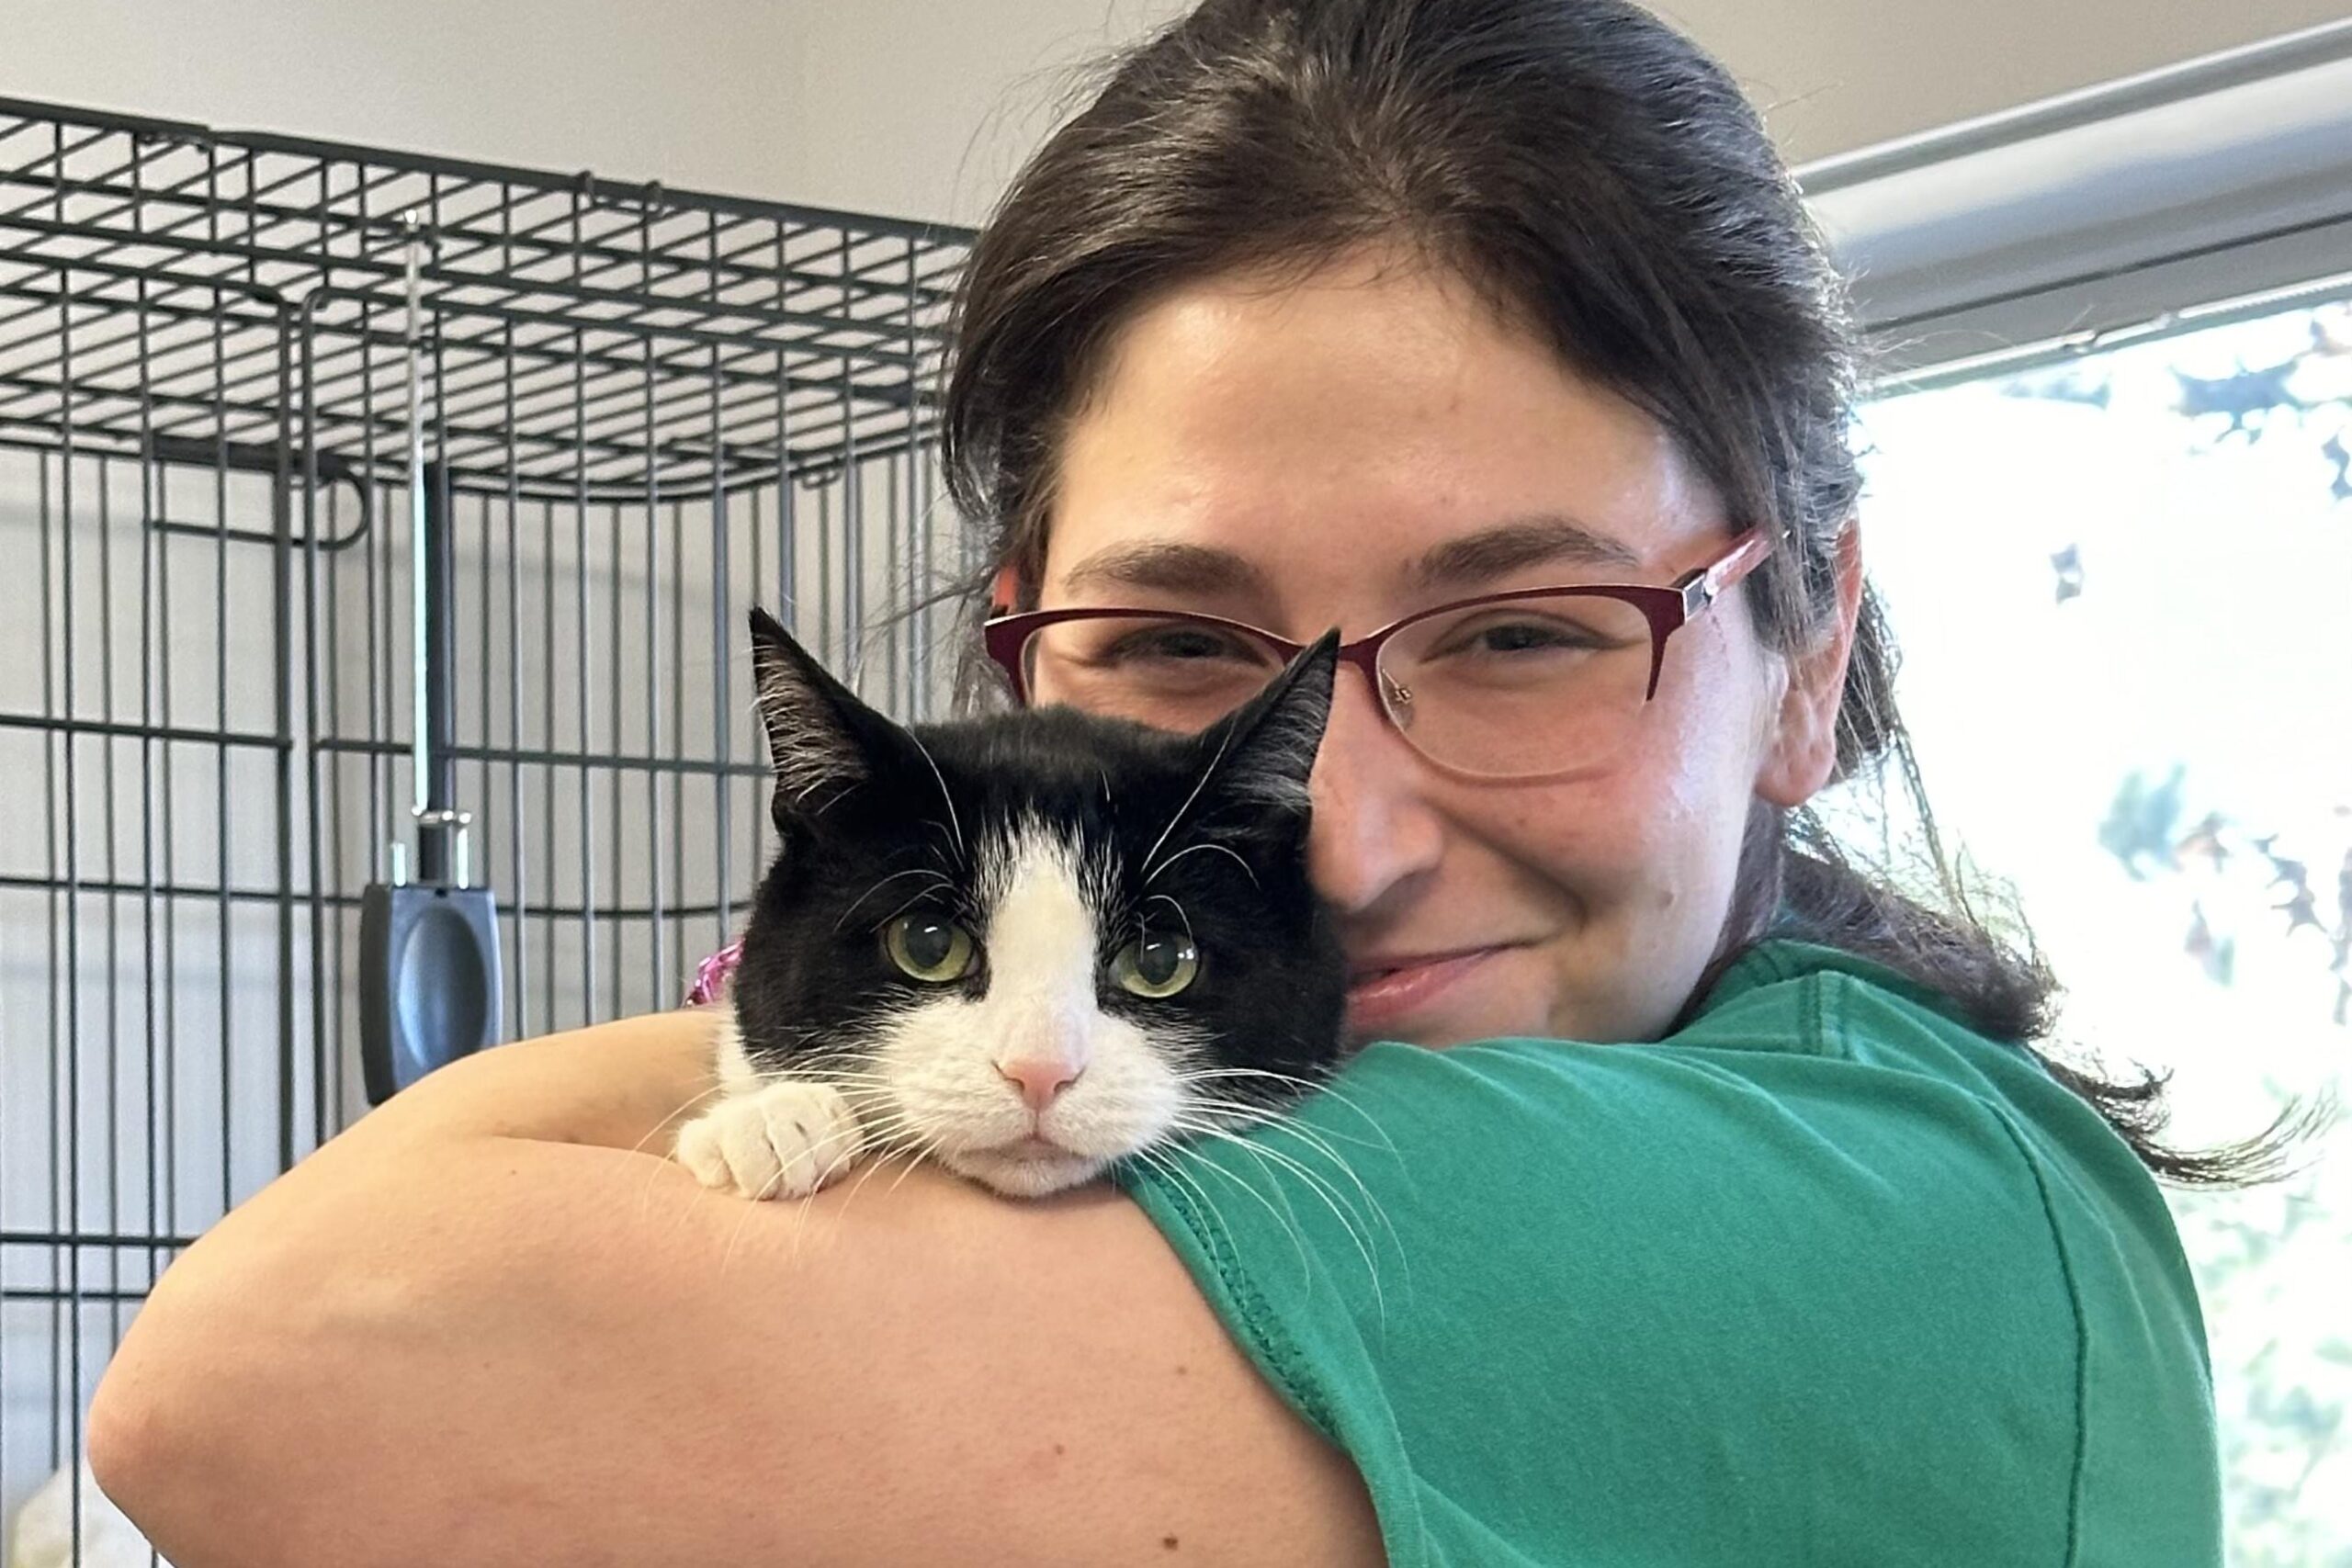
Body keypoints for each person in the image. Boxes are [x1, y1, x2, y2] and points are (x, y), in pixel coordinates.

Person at [88, 1, 2233, 1562]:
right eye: (1183, 646)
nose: (1347, 844)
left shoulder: (1899, 1213)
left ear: (1806, 656)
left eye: (1519, 629)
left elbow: (272, 1363)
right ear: (1015, 641)